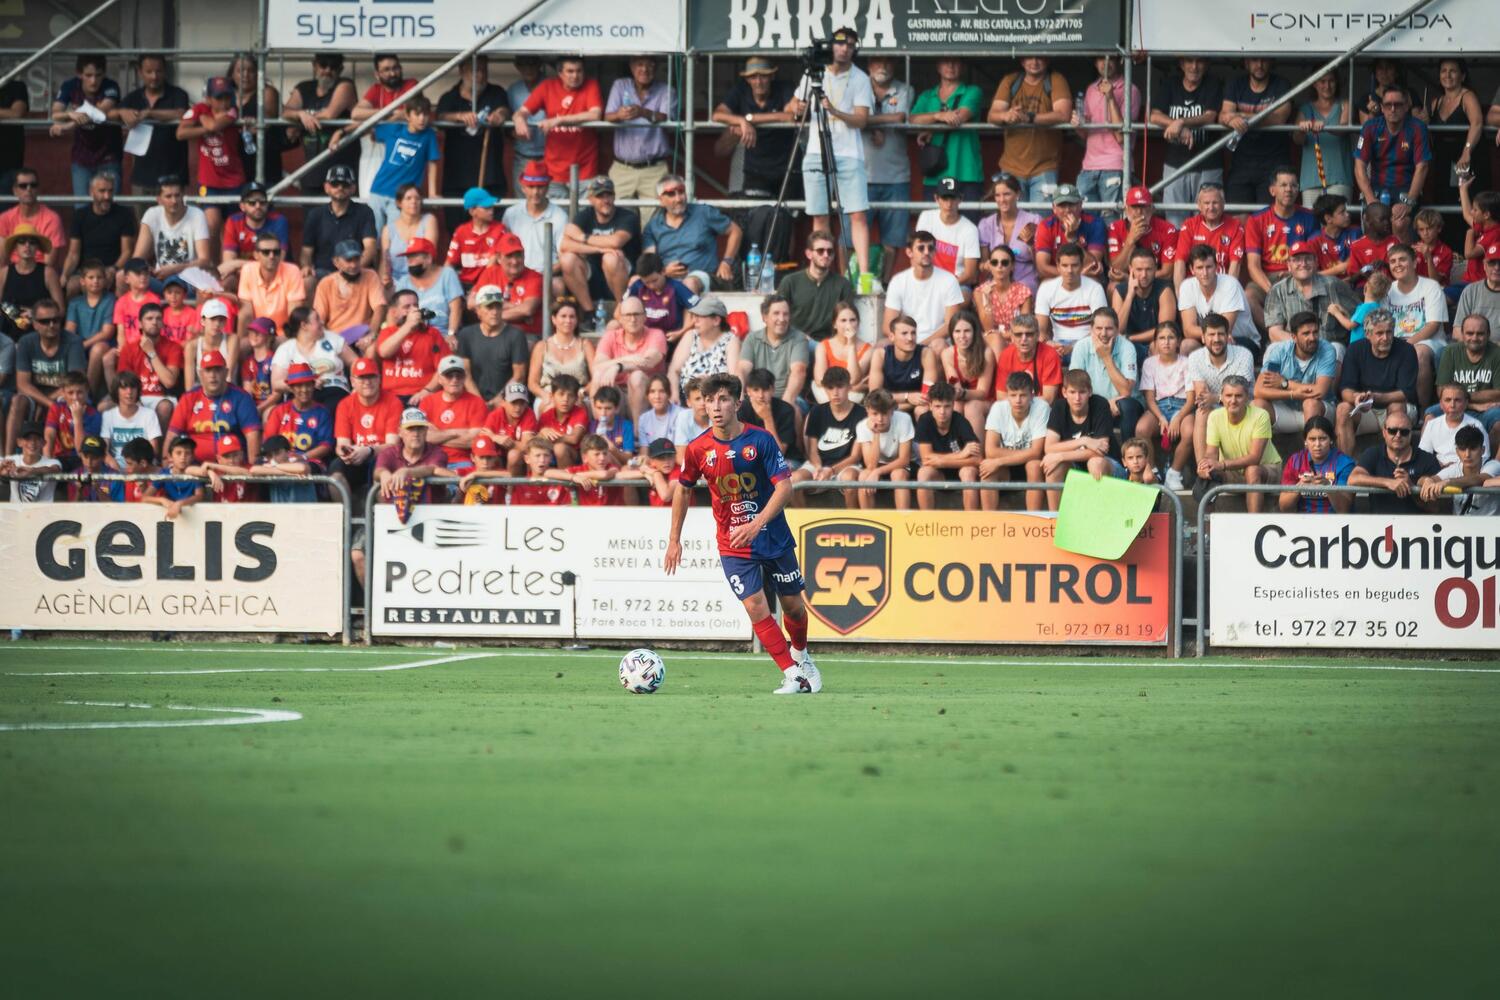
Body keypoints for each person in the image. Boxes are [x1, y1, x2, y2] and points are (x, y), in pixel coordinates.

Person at [665, 371, 818, 691]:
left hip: (772, 535)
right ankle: (793, 674)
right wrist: (674, 540)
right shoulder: (697, 449)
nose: (715, 406)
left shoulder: (760, 440)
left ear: (737, 403)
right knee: (754, 605)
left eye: (723, 399)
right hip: (733, 542)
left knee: (793, 607)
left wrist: (756, 523)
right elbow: (683, 489)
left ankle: (801, 655)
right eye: (709, 400)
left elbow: (785, 487)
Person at [785, 25, 873, 277]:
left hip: (849, 154)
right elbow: (792, 105)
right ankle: (821, 271)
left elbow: (861, 120)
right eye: (840, 43)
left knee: (857, 215)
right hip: (815, 151)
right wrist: (797, 108)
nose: (845, 49)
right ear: (831, 45)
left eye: (851, 45)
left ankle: (863, 274)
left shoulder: (860, 78)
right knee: (820, 216)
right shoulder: (814, 72)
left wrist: (834, 111)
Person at [436, 56, 510, 233]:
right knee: (457, 231)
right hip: (457, 180)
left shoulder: (496, 92)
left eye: (484, 70)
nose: (480, 75)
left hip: (490, 178)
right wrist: (459, 116)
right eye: (475, 70)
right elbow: (441, 116)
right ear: (462, 71)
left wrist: (499, 115)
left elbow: (504, 109)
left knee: (493, 231)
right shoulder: (449, 97)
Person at [512, 55, 603, 199]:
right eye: (570, 71)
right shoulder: (548, 86)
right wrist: (519, 119)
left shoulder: (591, 85)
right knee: (557, 212)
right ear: (560, 73)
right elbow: (522, 111)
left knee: (584, 213)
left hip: (585, 168)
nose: (575, 76)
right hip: (554, 170)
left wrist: (559, 120)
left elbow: (595, 114)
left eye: (579, 71)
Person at [987, 57, 1073, 203]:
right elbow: (992, 115)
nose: (1034, 62)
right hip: (1011, 167)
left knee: (1040, 217)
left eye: (1039, 57)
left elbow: (1064, 115)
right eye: (1029, 57)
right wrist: (1006, 115)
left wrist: (1030, 117)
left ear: (1047, 60)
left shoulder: (1055, 79)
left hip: (1045, 167)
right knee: (1013, 217)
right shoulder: (1011, 80)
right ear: (1022, 61)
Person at [1334, 309, 1418, 456]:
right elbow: (1345, 389)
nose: (1385, 338)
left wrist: (1376, 397)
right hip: (1366, 409)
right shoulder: (1355, 349)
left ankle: (1396, 463)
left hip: (1401, 409)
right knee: (1342, 409)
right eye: (1379, 333)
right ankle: (1345, 466)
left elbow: (1406, 393)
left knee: (1396, 406)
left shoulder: (1406, 350)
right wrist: (1356, 398)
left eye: (1389, 332)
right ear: (1368, 334)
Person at [1244, 166, 1317, 333]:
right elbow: (1253, 266)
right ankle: (1274, 334)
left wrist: (1296, 274)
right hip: (1267, 277)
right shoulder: (1256, 220)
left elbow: (1313, 259)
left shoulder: (1309, 218)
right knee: (1248, 297)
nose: (1289, 189)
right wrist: (1273, 291)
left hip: (1298, 273)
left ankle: (1298, 335)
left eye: (1293, 185)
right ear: (1272, 190)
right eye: (1283, 185)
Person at [6, 299, 83, 456]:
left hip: (64, 395)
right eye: (45, 321)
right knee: (17, 401)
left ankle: (60, 458)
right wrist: (48, 402)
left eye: (56, 320)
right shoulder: (26, 342)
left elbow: (76, 382)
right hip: (36, 396)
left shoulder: (73, 342)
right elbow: (22, 384)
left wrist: (50, 403)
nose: (51, 325)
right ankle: (8, 459)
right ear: (35, 324)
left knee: (71, 398)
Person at [712, 58, 798, 198]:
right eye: (753, 77)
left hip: (787, 168)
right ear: (747, 79)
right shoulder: (741, 90)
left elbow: (790, 116)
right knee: (756, 210)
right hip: (756, 170)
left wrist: (749, 119)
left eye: (763, 76)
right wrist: (741, 121)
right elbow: (716, 115)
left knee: (791, 210)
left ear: (772, 76)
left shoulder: (784, 87)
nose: (758, 82)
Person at [1423, 58, 1487, 246]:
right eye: (1443, 70)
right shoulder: (1436, 102)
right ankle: (1451, 252)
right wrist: (1423, 122)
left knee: (1468, 204)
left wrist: (1467, 151)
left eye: (1453, 71)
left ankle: (1470, 249)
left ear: (1462, 75)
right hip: (1444, 163)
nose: (1447, 75)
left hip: (1466, 161)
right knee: (1445, 203)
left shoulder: (1468, 96)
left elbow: (1477, 123)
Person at [1151, 57, 1223, 225]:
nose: (1194, 67)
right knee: (1175, 221)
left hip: (1208, 164)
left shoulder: (1213, 84)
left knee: (1208, 220)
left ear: (1206, 65)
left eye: (1200, 62)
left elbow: (1210, 116)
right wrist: (1176, 124)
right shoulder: (1171, 84)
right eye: (1189, 61)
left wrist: (1181, 122)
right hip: (1175, 164)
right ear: (1181, 64)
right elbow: (1153, 115)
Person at [604, 57, 675, 225]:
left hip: (654, 168)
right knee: (616, 219)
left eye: (650, 64)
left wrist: (643, 112)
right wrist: (619, 115)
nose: (645, 69)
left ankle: (647, 245)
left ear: (656, 67)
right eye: (640, 64)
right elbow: (607, 116)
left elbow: (668, 119)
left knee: (652, 223)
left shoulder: (666, 90)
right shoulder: (621, 85)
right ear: (631, 66)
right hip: (622, 167)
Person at [642, 174, 740, 294]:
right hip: (667, 278)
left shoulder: (703, 213)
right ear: (661, 200)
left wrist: (727, 262)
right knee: (635, 282)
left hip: (703, 278)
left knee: (689, 283)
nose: (678, 199)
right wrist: (664, 271)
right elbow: (650, 262)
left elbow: (735, 231)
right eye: (671, 194)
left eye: (681, 192)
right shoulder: (653, 226)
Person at [1197, 375, 1281, 512]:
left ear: (1247, 398)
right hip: (1232, 472)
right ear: (1221, 398)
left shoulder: (1261, 415)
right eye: (1228, 396)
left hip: (1266, 469)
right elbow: (1211, 453)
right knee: (1209, 473)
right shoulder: (1214, 416)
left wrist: (1222, 464)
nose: (1233, 401)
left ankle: (1254, 524)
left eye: (1238, 396)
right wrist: (1205, 465)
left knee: (1252, 470)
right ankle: (1207, 524)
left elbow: (1254, 458)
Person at [1043, 369, 1124, 509]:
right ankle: (1054, 517)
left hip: (1109, 465)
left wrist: (1061, 455)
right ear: (1064, 392)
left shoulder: (1100, 404)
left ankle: (1097, 515)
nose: (1077, 398)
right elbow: (1049, 447)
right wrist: (1084, 440)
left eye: (1082, 392)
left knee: (1095, 463)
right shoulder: (1059, 407)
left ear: (1090, 392)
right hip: (1076, 464)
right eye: (1072, 392)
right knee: (1052, 465)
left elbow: (1101, 451)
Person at [559, 176, 640, 316]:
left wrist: (582, 237)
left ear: (614, 196)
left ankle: (622, 310)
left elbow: (616, 242)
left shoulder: (628, 216)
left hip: (622, 275)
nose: (606, 200)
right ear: (591, 199)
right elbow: (565, 245)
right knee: (567, 259)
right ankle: (589, 314)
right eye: (600, 196)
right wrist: (599, 248)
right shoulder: (584, 216)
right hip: (593, 274)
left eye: (609, 195)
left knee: (610, 257)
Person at [361, 93, 440, 235]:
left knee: (396, 237)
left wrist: (433, 193)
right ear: (408, 115)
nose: (422, 118)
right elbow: (370, 132)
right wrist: (395, 117)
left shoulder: (429, 135)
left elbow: (433, 162)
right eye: (417, 114)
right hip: (378, 188)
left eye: (425, 114)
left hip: (402, 196)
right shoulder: (394, 128)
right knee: (372, 237)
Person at [175, 75, 245, 234]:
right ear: (208, 99)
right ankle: (211, 253)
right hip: (209, 180)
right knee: (211, 224)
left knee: (231, 228)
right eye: (219, 98)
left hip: (233, 180)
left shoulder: (233, 111)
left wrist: (203, 118)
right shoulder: (200, 109)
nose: (224, 102)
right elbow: (180, 133)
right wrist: (203, 124)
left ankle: (226, 252)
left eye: (227, 97)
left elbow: (213, 126)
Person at [1073, 54, 1139, 223]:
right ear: (1095, 63)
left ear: (1120, 61)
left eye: (1111, 59)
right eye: (1101, 59)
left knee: (1112, 222)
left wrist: (1110, 97)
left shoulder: (1130, 90)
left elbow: (1121, 136)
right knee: (1086, 222)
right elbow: (1085, 135)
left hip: (1115, 165)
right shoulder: (1091, 89)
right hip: (1089, 166)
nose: (1105, 63)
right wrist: (1077, 124)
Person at [863, 56, 916, 263]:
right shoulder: (857, 86)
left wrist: (866, 121)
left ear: (894, 65)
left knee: (892, 241)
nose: (882, 66)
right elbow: (849, 117)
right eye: (877, 61)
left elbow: (899, 117)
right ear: (869, 65)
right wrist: (875, 124)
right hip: (860, 175)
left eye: (888, 62)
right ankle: (849, 281)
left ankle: (885, 281)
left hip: (896, 177)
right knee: (849, 239)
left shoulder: (904, 89)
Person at [167, 348, 262, 464]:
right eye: (208, 370)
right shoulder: (188, 398)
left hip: (232, 466)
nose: (213, 375)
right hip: (194, 468)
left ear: (226, 372)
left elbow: (253, 436)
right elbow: (172, 435)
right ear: (200, 374)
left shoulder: (242, 398)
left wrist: (252, 468)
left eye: (217, 370)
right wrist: (167, 463)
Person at [1219, 58, 1292, 208]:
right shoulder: (1236, 84)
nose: (1259, 65)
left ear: (1270, 62)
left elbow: (1279, 118)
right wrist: (1230, 120)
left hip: (1274, 163)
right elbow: (1223, 116)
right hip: (1241, 162)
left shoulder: (1281, 84)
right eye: (1254, 60)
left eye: (1264, 60)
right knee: (1239, 216)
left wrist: (1242, 116)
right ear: (1246, 63)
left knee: (1268, 216)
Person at [283, 53, 358, 195]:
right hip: (312, 168)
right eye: (323, 65)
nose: (328, 70)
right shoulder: (304, 87)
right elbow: (285, 112)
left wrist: (302, 118)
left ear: (340, 69)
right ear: (314, 66)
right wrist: (300, 114)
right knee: (311, 208)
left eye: (333, 67)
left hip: (341, 168)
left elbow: (330, 114)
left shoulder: (345, 85)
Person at [1384, 242, 1448, 407]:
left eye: (1402, 259)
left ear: (1414, 263)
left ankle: (1422, 411)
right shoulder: (1388, 290)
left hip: (1428, 342)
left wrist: (1406, 345)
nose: (1397, 264)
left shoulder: (1431, 287)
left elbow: (1433, 325)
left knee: (1418, 353)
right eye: (1393, 261)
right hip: (1394, 341)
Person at [299, 164, 378, 299]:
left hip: (355, 271)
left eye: (345, 184)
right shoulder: (315, 214)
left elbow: (370, 248)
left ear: (353, 188)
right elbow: (306, 251)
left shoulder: (365, 212)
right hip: (323, 273)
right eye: (335, 184)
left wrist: (352, 268)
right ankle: (310, 314)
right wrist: (306, 266)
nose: (340, 188)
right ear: (326, 187)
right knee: (307, 281)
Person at [49, 54, 122, 197]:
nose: (93, 81)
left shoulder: (111, 86)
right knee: (82, 206)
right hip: (81, 158)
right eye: (88, 75)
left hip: (108, 156)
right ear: (79, 74)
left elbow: (98, 113)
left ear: (104, 74)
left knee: (109, 204)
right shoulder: (70, 86)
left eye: (98, 75)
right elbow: (55, 113)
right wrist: (71, 114)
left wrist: (67, 126)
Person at [1186, 313, 1256, 463]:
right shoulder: (1195, 358)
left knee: (1229, 406)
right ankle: (1203, 468)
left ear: (1228, 336)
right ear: (1203, 338)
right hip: (1213, 409)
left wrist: (1215, 397)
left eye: (1220, 334)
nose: (1216, 339)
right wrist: (1214, 399)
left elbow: (1239, 393)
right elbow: (1202, 396)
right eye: (1211, 335)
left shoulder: (1244, 355)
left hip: (1243, 406)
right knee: (1201, 412)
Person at [910, 57, 980, 205]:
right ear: (938, 66)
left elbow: (960, 116)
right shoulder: (927, 95)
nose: (950, 65)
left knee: (968, 220)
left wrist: (931, 126)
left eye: (955, 61)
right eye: (945, 61)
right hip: (934, 173)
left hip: (966, 172)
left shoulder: (972, 91)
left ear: (962, 66)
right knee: (932, 220)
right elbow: (912, 119)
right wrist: (938, 116)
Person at [1255, 310, 1338, 434]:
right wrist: (1292, 394)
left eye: (1315, 332)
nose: (1312, 338)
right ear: (1294, 337)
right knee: (1257, 405)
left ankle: (1311, 446)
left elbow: (1319, 391)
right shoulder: (1280, 351)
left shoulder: (1327, 350)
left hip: (1320, 410)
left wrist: (1285, 384)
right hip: (1287, 410)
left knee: (1310, 403)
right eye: (1306, 333)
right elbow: (1259, 390)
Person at [792, 366, 866, 504]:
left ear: (849, 387)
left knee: (850, 479)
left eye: (840, 387)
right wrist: (819, 467)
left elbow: (856, 456)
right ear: (825, 389)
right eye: (830, 388)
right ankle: (801, 517)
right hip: (819, 464)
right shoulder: (817, 411)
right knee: (793, 480)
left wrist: (831, 470)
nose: (835, 393)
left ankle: (853, 517)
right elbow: (812, 451)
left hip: (848, 465)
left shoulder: (861, 414)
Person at [1264, 241, 1359, 348]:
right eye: (1297, 260)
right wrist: (1304, 346)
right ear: (1289, 265)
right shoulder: (1277, 290)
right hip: (1294, 348)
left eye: (1308, 259)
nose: (1303, 264)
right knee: (1272, 349)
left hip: (1330, 347)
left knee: (1336, 348)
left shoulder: (1334, 285)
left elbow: (1361, 316)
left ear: (1316, 263)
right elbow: (1274, 333)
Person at [1354, 84, 1430, 217]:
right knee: (1376, 221)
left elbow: (1422, 166)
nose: (1393, 109)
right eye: (1388, 105)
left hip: (1406, 188)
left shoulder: (1418, 128)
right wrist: (1371, 200)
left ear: (1406, 107)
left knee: (1400, 223)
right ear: (1382, 108)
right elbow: (1359, 165)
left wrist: (1409, 202)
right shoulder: (1370, 127)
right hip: (1377, 188)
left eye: (1398, 105)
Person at [1348, 407, 1442, 514]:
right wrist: (1388, 482)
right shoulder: (1373, 454)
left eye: (1404, 432)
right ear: (1384, 432)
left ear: (1411, 433)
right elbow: (1353, 479)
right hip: (1380, 522)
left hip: (1418, 522)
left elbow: (1435, 508)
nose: (1398, 435)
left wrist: (1412, 487)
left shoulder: (1427, 459)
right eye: (1392, 431)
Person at [331, 356, 401, 499]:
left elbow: (393, 445)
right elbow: (341, 444)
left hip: (381, 455)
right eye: (362, 378)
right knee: (335, 474)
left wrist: (369, 450)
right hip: (356, 457)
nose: (367, 382)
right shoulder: (345, 404)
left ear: (379, 379)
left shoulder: (393, 402)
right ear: (352, 381)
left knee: (383, 470)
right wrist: (347, 453)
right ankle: (346, 512)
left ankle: (379, 513)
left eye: (371, 377)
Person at [979, 371, 1049, 510]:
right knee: (987, 470)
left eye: (1023, 395)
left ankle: (1033, 519)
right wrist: (1026, 454)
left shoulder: (1041, 407)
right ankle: (988, 521)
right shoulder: (998, 408)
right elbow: (990, 451)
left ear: (1032, 395)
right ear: (1007, 395)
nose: (1018, 400)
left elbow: (1036, 452)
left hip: (1028, 465)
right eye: (1013, 395)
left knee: (1034, 465)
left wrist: (998, 461)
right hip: (1007, 469)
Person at [1069, 307, 1141, 441]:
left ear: (1117, 330)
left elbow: (1126, 391)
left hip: (1122, 407)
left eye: (1109, 329)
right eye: (1098, 328)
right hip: (1093, 405)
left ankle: (1129, 449)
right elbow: (1075, 386)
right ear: (1091, 329)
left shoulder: (1127, 347)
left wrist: (1106, 357)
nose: (1103, 334)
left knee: (1127, 405)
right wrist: (1104, 404)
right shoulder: (1081, 347)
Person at [883, 230, 964, 346]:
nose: (926, 252)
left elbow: (951, 325)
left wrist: (920, 346)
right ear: (909, 252)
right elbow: (888, 326)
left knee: (938, 345)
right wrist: (908, 341)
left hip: (936, 342)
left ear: (934, 252)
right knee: (880, 347)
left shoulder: (949, 280)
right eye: (921, 248)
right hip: (906, 340)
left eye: (930, 248)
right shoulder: (897, 281)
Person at [590, 295, 667, 417]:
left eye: (636, 314)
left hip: (648, 396)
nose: (632, 319)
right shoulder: (611, 336)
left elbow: (648, 363)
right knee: (598, 375)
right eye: (628, 315)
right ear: (620, 319)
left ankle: (638, 428)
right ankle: (600, 427)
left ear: (645, 316)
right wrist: (626, 359)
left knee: (637, 377)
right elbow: (597, 367)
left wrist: (618, 367)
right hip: (617, 394)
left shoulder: (656, 335)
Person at [372, 407, 455, 517]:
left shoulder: (437, 452)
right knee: (380, 492)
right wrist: (383, 473)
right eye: (410, 429)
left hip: (432, 517)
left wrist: (406, 472)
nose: (416, 433)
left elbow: (432, 469)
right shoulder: (389, 452)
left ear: (426, 431)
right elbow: (378, 470)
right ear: (400, 432)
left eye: (420, 428)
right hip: (392, 517)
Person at [455, 285, 530, 407]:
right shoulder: (466, 335)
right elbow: (465, 374)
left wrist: (497, 401)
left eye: (498, 306)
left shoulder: (516, 335)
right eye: (489, 307)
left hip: (507, 402)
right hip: (473, 401)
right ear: (478, 310)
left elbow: (519, 376)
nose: (494, 312)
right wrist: (480, 403)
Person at [271, 306, 358, 410]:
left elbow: (355, 361)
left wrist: (357, 385)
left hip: (334, 390)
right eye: (317, 319)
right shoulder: (286, 349)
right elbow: (276, 383)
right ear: (304, 325)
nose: (322, 322)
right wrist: (304, 383)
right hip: (300, 395)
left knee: (331, 408)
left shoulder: (332, 338)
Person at [1137, 322, 1192, 489]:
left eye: (1171, 338)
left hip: (1182, 406)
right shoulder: (1150, 363)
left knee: (1190, 431)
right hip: (1158, 407)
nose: (1166, 342)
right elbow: (1149, 398)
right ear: (1155, 342)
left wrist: (1178, 418)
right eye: (1161, 338)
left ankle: (1174, 473)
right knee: (1141, 429)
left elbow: (1191, 399)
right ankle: (1153, 471)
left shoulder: (1187, 362)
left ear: (1178, 341)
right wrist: (1161, 418)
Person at [912, 381, 981, 510]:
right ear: (930, 406)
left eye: (947, 406)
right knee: (923, 473)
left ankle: (971, 520)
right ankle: (926, 520)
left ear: (953, 405)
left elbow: (977, 459)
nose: (942, 411)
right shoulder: (924, 420)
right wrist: (961, 454)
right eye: (938, 406)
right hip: (939, 473)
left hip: (960, 471)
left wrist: (941, 461)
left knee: (968, 472)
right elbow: (926, 459)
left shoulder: (961, 421)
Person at [63, 174, 134, 299]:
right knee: (71, 285)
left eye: (110, 191)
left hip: (113, 268)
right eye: (102, 191)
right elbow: (73, 254)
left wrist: (113, 269)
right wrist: (64, 275)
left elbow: (127, 251)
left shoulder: (124, 214)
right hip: (86, 271)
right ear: (91, 192)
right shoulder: (80, 216)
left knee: (119, 280)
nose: (107, 196)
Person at [928, 309, 994, 441]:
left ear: (975, 332)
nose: (962, 336)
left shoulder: (986, 353)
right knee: (955, 406)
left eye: (967, 331)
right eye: (957, 331)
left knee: (971, 407)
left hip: (986, 400)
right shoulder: (947, 354)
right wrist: (957, 392)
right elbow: (954, 382)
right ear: (952, 334)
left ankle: (976, 450)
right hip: (963, 397)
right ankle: (953, 448)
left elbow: (983, 392)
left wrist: (961, 393)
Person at [1034, 243, 1108, 359]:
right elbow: (1040, 329)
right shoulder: (1046, 288)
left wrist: (1074, 347)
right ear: (1058, 266)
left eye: (1074, 265)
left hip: (1089, 344)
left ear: (1082, 265)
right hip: (1058, 345)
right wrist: (1049, 343)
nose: (1069, 270)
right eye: (1065, 265)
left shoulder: (1095, 288)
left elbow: (1101, 327)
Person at [777, 231, 854, 342]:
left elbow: (849, 321)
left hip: (829, 343)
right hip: (795, 341)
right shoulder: (790, 281)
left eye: (830, 251)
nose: (826, 255)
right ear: (809, 254)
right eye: (820, 251)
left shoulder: (843, 284)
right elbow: (777, 316)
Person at [1292, 71, 1354, 208]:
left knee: (1338, 218)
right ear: (1314, 83)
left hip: (1339, 176)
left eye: (1331, 81)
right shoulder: (1305, 109)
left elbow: (1344, 128)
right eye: (1322, 81)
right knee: (1311, 220)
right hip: (1311, 178)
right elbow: (1297, 139)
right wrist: (1302, 130)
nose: (1327, 86)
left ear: (1337, 83)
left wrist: (1324, 126)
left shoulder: (1344, 104)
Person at [115, 301, 182, 427]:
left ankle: (160, 441)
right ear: (140, 323)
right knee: (107, 407)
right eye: (149, 318)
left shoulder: (174, 347)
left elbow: (169, 382)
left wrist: (151, 352)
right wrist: (135, 401)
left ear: (162, 323)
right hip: (136, 396)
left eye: (158, 318)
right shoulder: (128, 348)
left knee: (164, 407)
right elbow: (123, 383)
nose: (154, 322)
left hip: (163, 398)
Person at [418, 355, 489, 473]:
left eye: (458, 375)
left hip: (463, 461)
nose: (454, 380)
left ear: (464, 378)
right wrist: (455, 433)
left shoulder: (477, 403)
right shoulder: (427, 402)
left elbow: (474, 441)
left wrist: (439, 434)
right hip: (431, 460)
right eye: (449, 375)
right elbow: (424, 437)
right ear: (440, 379)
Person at [374, 289, 448, 402]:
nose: (414, 310)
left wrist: (427, 391)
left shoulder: (433, 334)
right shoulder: (387, 333)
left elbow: (443, 368)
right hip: (391, 397)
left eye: (415, 305)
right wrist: (409, 326)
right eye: (407, 307)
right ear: (394, 312)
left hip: (423, 395)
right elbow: (384, 352)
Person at [1177, 244, 1254, 352]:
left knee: (1224, 342)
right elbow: (1188, 330)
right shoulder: (1187, 286)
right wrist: (1212, 333)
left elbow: (1225, 329)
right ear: (1192, 269)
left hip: (1241, 339)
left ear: (1216, 267)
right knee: (1186, 345)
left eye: (1209, 267)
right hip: (1208, 339)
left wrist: (1211, 333)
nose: (1205, 273)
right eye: (1200, 268)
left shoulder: (1230, 284)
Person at [502, 160, 570, 283]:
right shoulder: (511, 214)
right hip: (515, 274)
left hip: (547, 276)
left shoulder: (560, 216)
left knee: (558, 285)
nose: (535, 192)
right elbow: (502, 251)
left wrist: (541, 276)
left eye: (540, 187)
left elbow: (564, 257)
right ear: (523, 188)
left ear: (547, 187)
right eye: (531, 187)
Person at [848, 388, 915, 510]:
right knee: (864, 476)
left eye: (884, 413)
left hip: (900, 465)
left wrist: (877, 472)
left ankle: (903, 519)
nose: (880, 419)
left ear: (892, 411)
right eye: (875, 414)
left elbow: (904, 460)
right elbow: (871, 465)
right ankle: (868, 520)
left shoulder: (904, 419)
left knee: (898, 475)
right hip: (877, 464)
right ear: (867, 411)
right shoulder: (862, 426)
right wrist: (876, 434)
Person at [737, 295, 809, 407]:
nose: (782, 319)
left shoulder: (799, 338)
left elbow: (798, 371)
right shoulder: (752, 339)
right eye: (776, 313)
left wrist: (785, 405)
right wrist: (739, 397)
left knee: (795, 409)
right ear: (764, 317)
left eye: (786, 314)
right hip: (757, 396)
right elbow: (742, 369)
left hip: (789, 397)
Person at [133, 178, 210, 282]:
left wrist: (174, 269)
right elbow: (137, 258)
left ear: (183, 196)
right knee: (123, 277)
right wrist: (147, 269)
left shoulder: (197, 215)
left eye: (177, 195)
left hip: (189, 279)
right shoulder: (152, 214)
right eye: (168, 196)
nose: (174, 201)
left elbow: (204, 261)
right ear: (159, 200)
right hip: (159, 277)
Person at [1435, 314, 1500, 437]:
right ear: (1462, 334)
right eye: (1470, 333)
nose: (1474, 338)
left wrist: (1460, 397)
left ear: (1488, 334)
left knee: (1498, 422)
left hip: (1488, 409)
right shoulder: (1450, 351)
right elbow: (1441, 391)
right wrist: (1472, 404)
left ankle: (1490, 451)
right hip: (1457, 405)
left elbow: (1498, 393)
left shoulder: (1497, 354)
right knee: (1430, 415)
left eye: (1480, 334)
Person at [667, 295, 740, 402]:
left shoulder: (731, 341)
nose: (695, 321)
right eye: (694, 316)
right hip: (686, 400)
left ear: (716, 320)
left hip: (715, 402)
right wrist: (674, 395)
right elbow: (674, 370)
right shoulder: (691, 336)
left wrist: (709, 382)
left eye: (700, 316)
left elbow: (734, 379)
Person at [978, 173, 1042, 294]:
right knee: (980, 293)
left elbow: (1040, 266)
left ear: (1017, 194)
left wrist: (1032, 248)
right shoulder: (986, 224)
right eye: (998, 195)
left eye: (1007, 194)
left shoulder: (1032, 221)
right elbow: (983, 265)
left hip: (1025, 280)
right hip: (997, 281)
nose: (1002, 200)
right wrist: (986, 266)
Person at [1171, 183, 1244, 289]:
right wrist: (1180, 295)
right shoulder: (1189, 225)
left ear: (1223, 204)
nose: (1211, 207)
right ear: (1199, 205)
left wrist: (1227, 293)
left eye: (1215, 203)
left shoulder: (1235, 226)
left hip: (1222, 284)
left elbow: (1235, 265)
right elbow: (1180, 262)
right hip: (1194, 286)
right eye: (1206, 203)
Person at [218, 183, 289, 291]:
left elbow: (276, 262)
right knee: (226, 281)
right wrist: (250, 267)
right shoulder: (233, 221)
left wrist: (236, 264)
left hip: (273, 276)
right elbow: (228, 263)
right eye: (252, 203)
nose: (258, 206)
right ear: (242, 206)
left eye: (262, 202)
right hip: (241, 275)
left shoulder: (279, 221)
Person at [1278, 415, 1355, 513]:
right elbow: (1284, 507)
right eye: (1312, 439)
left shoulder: (1345, 463)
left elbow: (1344, 509)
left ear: (1331, 440)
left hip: (1334, 520)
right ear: (1305, 441)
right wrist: (1299, 487)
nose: (1317, 444)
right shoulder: (1295, 461)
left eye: (1322, 439)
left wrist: (1327, 487)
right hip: (1303, 519)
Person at [1111, 246, 1177, 362]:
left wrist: (1131, 338)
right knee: (1117, 347)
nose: (1144, 275)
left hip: (1154, 343)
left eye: (1148, 269)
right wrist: (1130, 295)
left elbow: (1165, 329)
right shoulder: (1120, 291)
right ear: (1131, 269)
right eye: (1139, 270)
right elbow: (1118, 329)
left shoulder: (1164, 289)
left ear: (1155, 269)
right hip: (1129, 346)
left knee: (1159, 345)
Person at [264, 362, 334, 468]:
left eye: (308, 385)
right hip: (280, 462)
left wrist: (303, 457)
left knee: (301, 468)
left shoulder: (322, 413)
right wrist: (281, 460)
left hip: (310, 462)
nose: (304, 390)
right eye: (299, 386)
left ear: (313, 386)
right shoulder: (279, 411)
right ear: (291, 388)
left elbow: (326, 446)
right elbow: (269, 442)